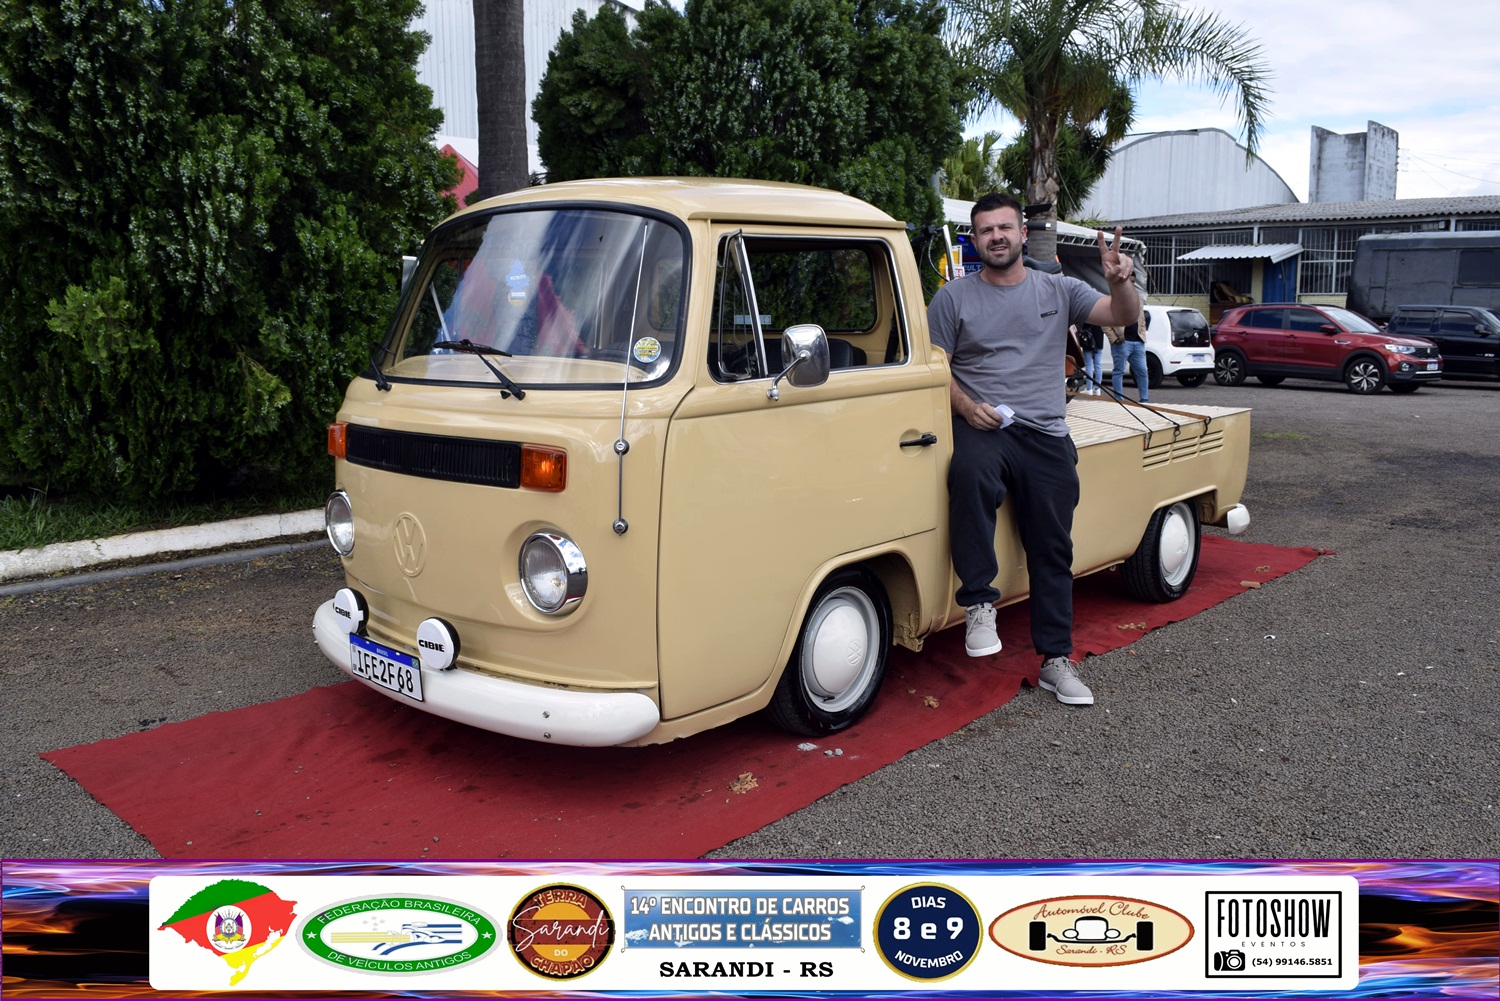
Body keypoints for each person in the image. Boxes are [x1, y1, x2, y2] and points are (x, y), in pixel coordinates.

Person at [927, 192, 1140, 706]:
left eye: (1005, 227)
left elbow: (1121, 314)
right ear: (975, 240)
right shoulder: (952, 298)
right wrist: (965, 406)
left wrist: (1120, 281)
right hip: (985, 426)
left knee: (1053, 550)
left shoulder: (1060, 289)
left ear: (1023, 234)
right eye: (986, 230)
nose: (996, 236)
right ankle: (979, 605)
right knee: (969, 473)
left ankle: (1056, 661)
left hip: (1045, 433)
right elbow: (936, 370)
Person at [1110, 314, 1149, 403]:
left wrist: (1142, 334)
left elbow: (1142, 320)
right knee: (1119, 371)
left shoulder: (1138, 305)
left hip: (1139, 342)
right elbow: (1105, 324)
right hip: (1122, 342)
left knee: (1143, 371)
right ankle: (1119, 399)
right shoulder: (1115, 305)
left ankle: (1144, 399)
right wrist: (1114, 338)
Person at [1077, 322, 1105, 394]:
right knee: (1098, 365)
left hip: (1088, 343)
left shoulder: (1088, 319)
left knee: (1089, 366)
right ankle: (1098, 389)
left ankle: (1089, 389)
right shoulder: (1101, 319)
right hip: (1099, 342)